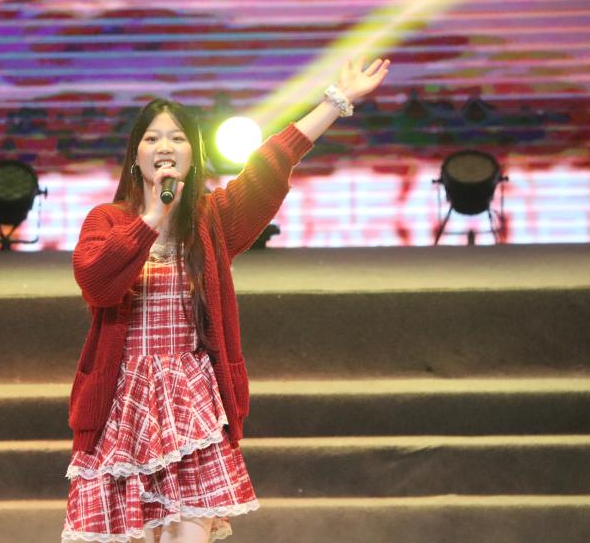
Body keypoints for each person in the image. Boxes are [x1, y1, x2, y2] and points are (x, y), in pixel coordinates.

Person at [61, 56, 392, 543]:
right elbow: (97, 281)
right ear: (135, 156)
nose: (165, 147)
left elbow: (271, 164)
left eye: (177, 138)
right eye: (152, 138)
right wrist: (152, 216)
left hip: (192, 397)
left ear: (193, 156)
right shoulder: (106, 221)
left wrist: (334, 102)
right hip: (123, 403)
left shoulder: (213, 219)